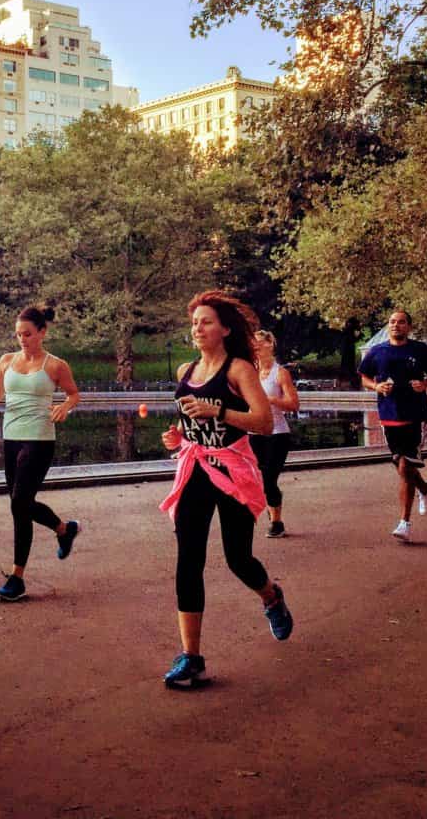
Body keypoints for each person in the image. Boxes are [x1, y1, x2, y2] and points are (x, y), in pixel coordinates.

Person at [159, 290, 293, 689]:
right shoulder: (186, 370)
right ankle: (192, 658)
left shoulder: (238, 370)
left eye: (206, 322)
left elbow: (264, 422)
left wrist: (218, 410)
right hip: (195, 469)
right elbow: (187, 421)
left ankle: (271, 596)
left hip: (232, 469)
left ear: (224, 329)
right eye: (195, 322)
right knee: (188, 560)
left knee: (238, 558)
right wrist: (177, 436)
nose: (198, 328)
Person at [0, 306, 82, 602]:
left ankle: (17, 578)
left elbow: (73, 393)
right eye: (18, 334)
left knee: (19, 503)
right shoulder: (6, 360)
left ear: (42, 332)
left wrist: (65, 406)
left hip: (39, 438)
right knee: (20, 504)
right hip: (11, 437)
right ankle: (64, 529)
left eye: (28, 334)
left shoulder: (55, 365)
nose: (22, 339)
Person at [358, 310, 427, 542]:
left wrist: (424, 384)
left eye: (401, 322)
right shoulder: (377, 351)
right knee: (400, 465)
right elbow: (364, 376)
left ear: (409, 327)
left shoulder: (420, 350)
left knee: (405, 467)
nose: (396, 326)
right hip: (388, 416)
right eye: (392, 322)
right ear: (388, 326)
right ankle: (425, 488)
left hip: (414, 415)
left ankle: (404, 523)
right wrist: (376, 387)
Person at [249, 330, 300, 538]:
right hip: (254, 432)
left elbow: (294, 405)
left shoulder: (280, 373)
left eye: (259, 342)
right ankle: (272, 513)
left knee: (269, 479)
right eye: (253, 343)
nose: (255, 346)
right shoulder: (250, 372)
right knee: (260, 479)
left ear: (270, 344)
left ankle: (277, 523)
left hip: (277, 433)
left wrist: (270, 400)